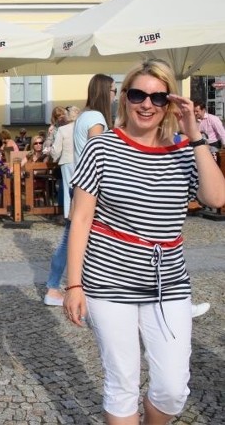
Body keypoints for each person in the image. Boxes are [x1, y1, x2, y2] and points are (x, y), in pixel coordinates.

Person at [64, 60, 225, 425]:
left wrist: (194, 134)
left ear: (169, 103)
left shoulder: (186, 151)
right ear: (124, 98)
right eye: (138, 94)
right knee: (122, 384)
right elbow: (82, 220)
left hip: (167, 281)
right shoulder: (101, 147)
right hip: (109, 278)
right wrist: (74, 284)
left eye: (157, 96)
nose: (146, 104)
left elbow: (217, 197)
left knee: (172, 387)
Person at [44, 74, 115, 307]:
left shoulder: (85, 115)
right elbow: (99, 153)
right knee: (75, 239)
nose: (115, 95)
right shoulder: (96, 118)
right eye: (113, 91)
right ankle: (56, 287)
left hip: (81, 185)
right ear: (105, 92)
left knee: (73, 238)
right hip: (94, 187)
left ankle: (58, 286)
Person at [50, 106, 80, 220]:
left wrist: (52, 156)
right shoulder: (82, 127)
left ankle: (68, 215)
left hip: (67, 160)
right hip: (81, 160)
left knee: (68, 189)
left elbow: (56, 150)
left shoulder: (63, 129)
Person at [192, 98, 225, 164]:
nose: (195, 113)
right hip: (200, 146)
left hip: (213, 146)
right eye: (194, 111)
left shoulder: (213, 119)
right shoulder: (194, 120)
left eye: (197, 111)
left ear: (203, 110)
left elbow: (222, 133)